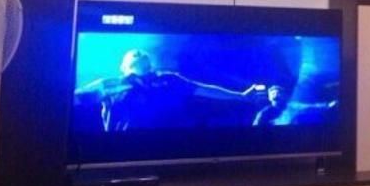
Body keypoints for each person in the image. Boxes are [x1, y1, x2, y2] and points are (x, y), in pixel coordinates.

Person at [75, 49, 265, 131]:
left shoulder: (168, 79)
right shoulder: (109, 85)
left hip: (166, 146)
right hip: (123, 152)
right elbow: (73, 98)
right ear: (123, 67)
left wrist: (241, 96)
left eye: (143, 57)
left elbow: (203, 89)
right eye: (133, 58)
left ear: (150, 63)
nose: (138, 54)